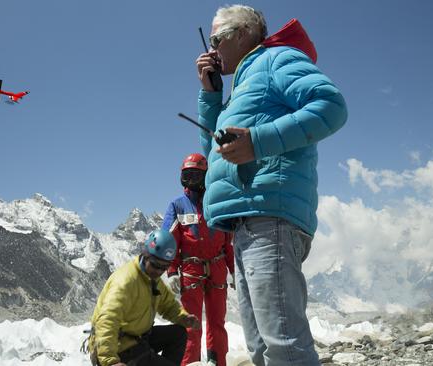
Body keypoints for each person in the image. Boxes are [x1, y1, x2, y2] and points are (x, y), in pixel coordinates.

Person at [194, 5, 348, 366]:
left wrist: (258, 142)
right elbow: (216, 158)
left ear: (244, 32)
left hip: (269, 216)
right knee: (262, 348)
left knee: (284, 346)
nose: (211, 50)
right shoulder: (243, 84)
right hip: (247, 220)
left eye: (216, 39)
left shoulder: (276, 59)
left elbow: (331, 106)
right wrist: (211, 97)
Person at [85, 229, 201, 366]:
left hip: (137, 338)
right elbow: (107, 320)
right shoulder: (126, 282)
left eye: (164, 267)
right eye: (155, 265)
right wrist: (110, 361)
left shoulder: (151, 278)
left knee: (178, 334)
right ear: (145, 256)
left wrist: (184, 318)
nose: (158, 271)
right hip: (118, 347)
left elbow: (168, 305)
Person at [162, 153, 235, 366]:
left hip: (218, 267)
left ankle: (217, 362)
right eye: (186, 175)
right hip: (190, 270)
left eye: (195, 175)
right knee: (190, 324)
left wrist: (234, 271)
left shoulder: (218, 205)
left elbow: (228, 243)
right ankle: (190, 364)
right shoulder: (177, 206)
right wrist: (172, 270)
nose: (190, 180)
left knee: (217, 323)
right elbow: (168, 240)